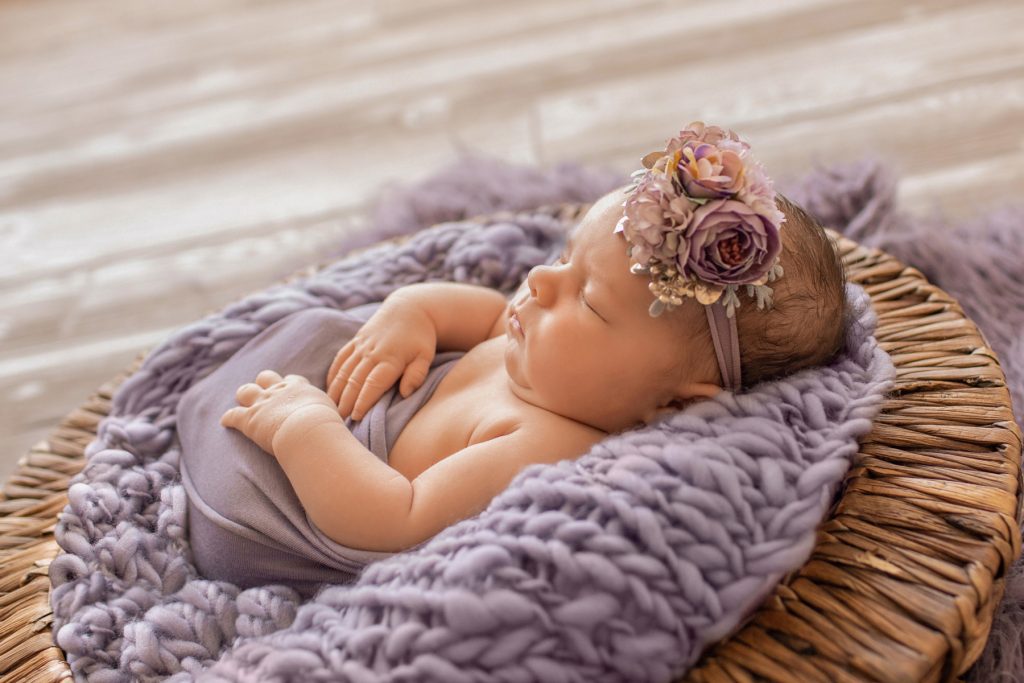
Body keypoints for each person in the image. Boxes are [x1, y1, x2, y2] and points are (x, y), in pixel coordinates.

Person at [181, 122, 847, 592]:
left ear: (671, 403)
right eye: (564, 256)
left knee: (299, 382)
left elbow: (393, 517)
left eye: (587, 300)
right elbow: (475, 310)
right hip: (360, 412)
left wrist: (305, 429)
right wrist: (414, 312)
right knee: (327, 327)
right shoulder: (548, 345)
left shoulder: (544, 442)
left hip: (279, 509)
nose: (538, 281)